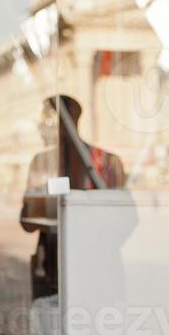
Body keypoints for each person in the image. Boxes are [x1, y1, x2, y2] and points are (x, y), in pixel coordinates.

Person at [20, 94, 126, 300]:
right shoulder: (42, 163)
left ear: (62, 122)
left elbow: (123, 220)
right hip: (55, 266)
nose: (39, 128)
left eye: (45, 120)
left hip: (95, 267)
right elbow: (27, 221)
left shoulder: (106, 163)